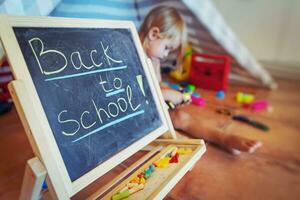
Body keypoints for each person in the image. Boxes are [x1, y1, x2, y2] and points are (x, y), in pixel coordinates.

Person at [139, 6, 262, 155]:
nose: (165, 55)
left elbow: (157, 84)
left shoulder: (154, 58)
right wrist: (167, 95)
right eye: (167, 48)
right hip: (139, 115)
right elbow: (137, 96)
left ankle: (223, 138)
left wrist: (173, 93)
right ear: (153, 34)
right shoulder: (133, 55)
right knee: (164, 126)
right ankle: (172, 138)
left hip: (155, 109)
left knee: (182, 117)